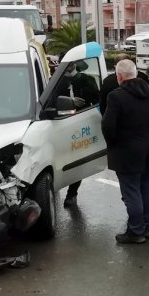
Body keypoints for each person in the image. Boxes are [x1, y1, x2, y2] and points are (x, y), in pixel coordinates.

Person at [101, 59, 149, 244]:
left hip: (126, 152)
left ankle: (135, 231)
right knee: (147, 189)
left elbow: (108, 126)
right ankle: (147, 227)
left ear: (119, 77)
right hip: (148, 150)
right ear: (136, 74)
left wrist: (116, 142)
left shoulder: (116, 96)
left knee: (131, 192)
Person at [63, 60, 101, 208]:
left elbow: (97, 101)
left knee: (76, 160)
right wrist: (69, 101)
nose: (69, 66)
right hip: (60, 123)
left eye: (71, 63)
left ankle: (72, 193)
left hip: (81, 125)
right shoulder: (56, 81)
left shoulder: (87, 79)